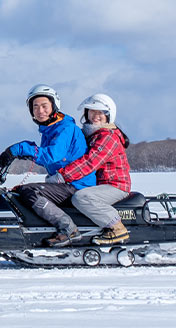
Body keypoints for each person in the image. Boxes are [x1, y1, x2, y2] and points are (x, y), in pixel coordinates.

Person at [0, 84, 96, 247]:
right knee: (19, 191)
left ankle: (68, 229)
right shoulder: (50, 129)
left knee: (30, 191)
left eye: (44, 106)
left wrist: (20, 148)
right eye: (35, 107)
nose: (40, 110)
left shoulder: (65, 128)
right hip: (67, 182)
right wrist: (20, 153)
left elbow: (52, 155)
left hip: (77, 184)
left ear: (54, 106)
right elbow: (47, 155)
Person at [56, 94, 133, 245]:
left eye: (100, 113)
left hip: (115, 185)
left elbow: (90, 162)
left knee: (82, 198)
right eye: (92, 112)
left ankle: (117, 228)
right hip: (101, 184)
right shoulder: (92, 135)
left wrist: (63, 176)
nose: (95, 116)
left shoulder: (107, 136)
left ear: (109, 115)